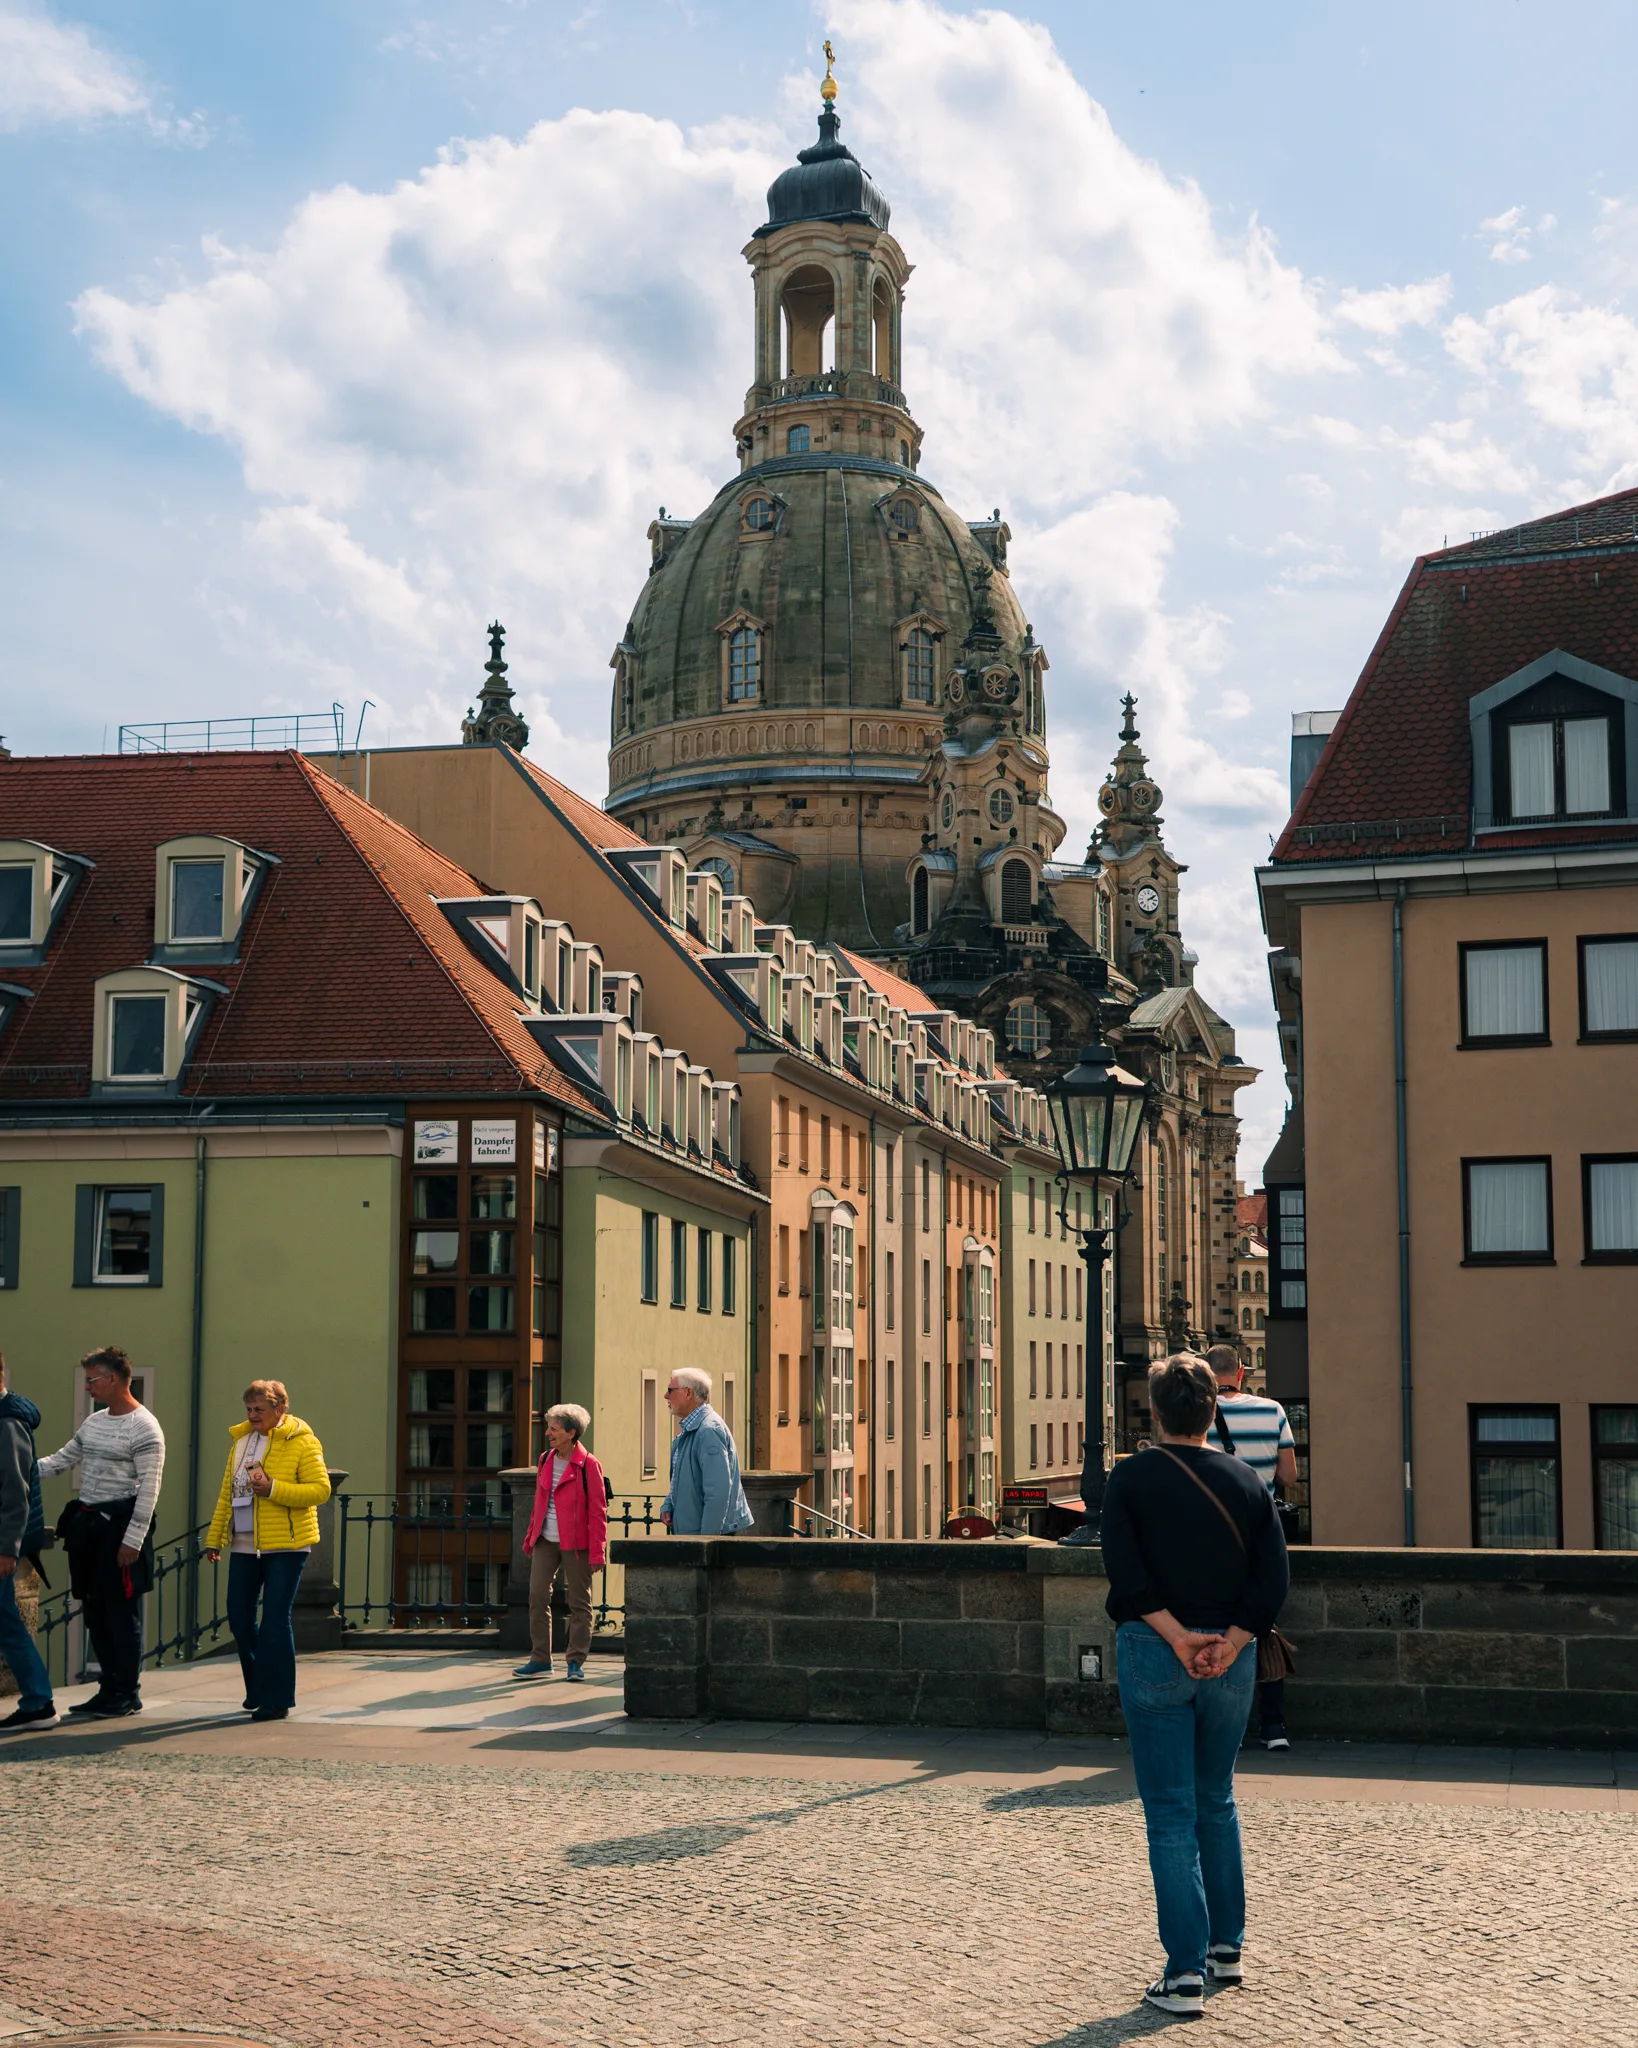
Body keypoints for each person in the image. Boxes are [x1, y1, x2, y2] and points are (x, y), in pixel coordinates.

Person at [1100, 1354, 1289, 2019]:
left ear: (1156, 1411)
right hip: (1230, 1659)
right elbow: (1273, 1581)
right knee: (1216, 1799)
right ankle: (1224, 1949)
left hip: (1156, 1650)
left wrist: (1177, 1637)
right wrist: (1231, 1641)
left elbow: (1124, 1573)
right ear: (1214, 1410)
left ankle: (1182, 1974)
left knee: (1170, 1811)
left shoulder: (1131, 1478)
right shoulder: (1245, 1481)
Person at [38, 1347, 166, 1719]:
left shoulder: (145, 1427)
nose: (88, 1388)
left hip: (121, 1529)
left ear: (113, 1379)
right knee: (93, 1610)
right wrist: (20, 1469)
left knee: (121, 1615)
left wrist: (133, 1541)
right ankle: (107, 1688)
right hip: (88, 1529)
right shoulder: (93, 1423)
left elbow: (150, 1488)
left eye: (92, 1380)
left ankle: (127, 1693)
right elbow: (62, 1459)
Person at [203, 1379, 331, 1722]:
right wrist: (214, 1538)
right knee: (240, 1619)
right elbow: (225, 1495)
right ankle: (259, 1689)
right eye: (249, 1409)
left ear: (280, 1408)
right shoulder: (241, 1442)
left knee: (275, 1620)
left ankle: (278, 1698)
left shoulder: (303, 1441)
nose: (253, 1415)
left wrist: (273, 1488)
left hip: (287, 1545)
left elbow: (320, 1490)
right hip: (244, 1544)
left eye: (260, 1409)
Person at [1205, 1342, 1299, 1752]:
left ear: (1208, 1377)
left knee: (1211, 1627)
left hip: (1212, 1540)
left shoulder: (1199, 1418)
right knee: (1263, 1628)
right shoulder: (1273, 1410)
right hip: (1260, 1536)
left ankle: (1222, 1723)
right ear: (1241, 1373)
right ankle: (1273, 1725)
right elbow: (1290, 1476)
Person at [514, 1403, 608, 1683]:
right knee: (537, 1596)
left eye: (554, 1428)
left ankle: (575, 1661)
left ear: (570, 1432)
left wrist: (598, 1551)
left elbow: (598, 1511)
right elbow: (539, 1502)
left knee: (579, 1603)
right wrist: (531, 1536)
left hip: (576, 1543)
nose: (548, 1433)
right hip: (545, 1540)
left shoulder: (589, 1465)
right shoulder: (545, 1460)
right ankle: (540, 1659)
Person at [0, 1351, 56, 1732]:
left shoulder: (7, 1422)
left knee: (7, 1624)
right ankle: (38, 1700)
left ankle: (38, 1701)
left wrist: (7, 1548)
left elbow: (15, 1492)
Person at [658, 1369, 753, 1537]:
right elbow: (683, 1479)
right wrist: (669, 1505)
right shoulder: (693, 1429)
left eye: (671, 1390)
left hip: (707, 1538)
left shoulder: (708, 1431)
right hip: (695, 1534)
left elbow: (718, 1493)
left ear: (688, 1393)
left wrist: (707, 1542)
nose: (666, 1395)